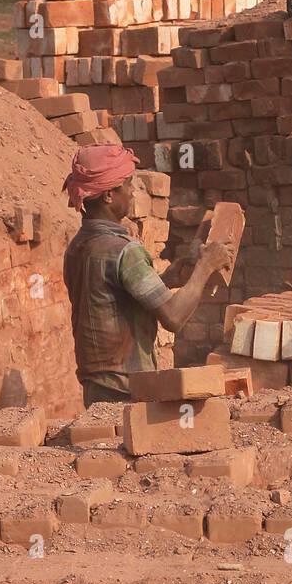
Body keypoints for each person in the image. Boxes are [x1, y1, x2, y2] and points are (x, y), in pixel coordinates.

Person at [62, 144, 233, 407]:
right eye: (128, 185)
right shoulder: (123, 251)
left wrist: (165, 281)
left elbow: (111, 299)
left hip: (96, 389)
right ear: (108, 195)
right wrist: (206, 266)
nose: (132, 193)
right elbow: (173, 318)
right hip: (128, 388)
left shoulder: (78, 246)